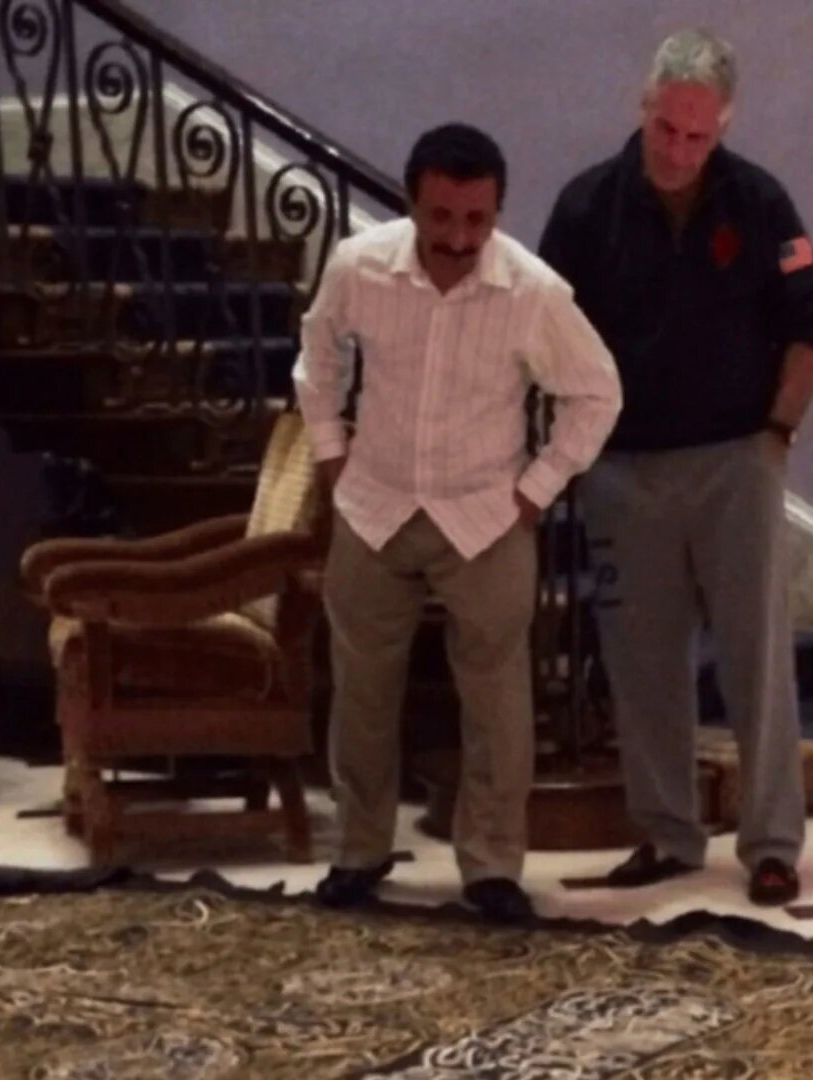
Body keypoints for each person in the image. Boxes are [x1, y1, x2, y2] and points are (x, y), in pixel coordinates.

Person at [292, 122, 623, 923]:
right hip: (375, 506)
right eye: (442, 216)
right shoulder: (358, 266)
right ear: (412, 204)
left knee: (498, 700)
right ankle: (360, 850)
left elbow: (598, 392)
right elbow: (317, 359)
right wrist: (332, 456)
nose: (459, 237)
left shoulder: (532, 291)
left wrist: (536, 490)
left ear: (497, 212)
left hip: (485, 516)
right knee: (362, 690)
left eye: (477, 219)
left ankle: (492, 867)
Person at [537, 29, 813, 906]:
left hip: (736, 461)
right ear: (644, 106)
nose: (677, 150)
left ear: (723, 126)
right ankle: (668, 834)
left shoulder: (761, 202)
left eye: (697, 136)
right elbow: (543, 335)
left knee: (756, 659)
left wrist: (777, 434)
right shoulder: (586, 208)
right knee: (640, 664)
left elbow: (812, 328)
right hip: (623, 469)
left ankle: (772, 844)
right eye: (666, 128)